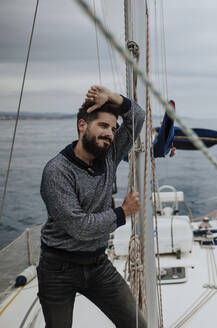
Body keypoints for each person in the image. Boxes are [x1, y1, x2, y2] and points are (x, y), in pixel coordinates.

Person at [38, 85, 147, 328]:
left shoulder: (109, 156)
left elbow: (137, 117)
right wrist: (123, 212)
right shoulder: (57, 171)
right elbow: (80, 227)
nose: (110, 133)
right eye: (103, 126)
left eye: (113, 128)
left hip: (97, 263)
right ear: (82, 125)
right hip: (58, 268)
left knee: (137, 325)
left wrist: (112, 98)